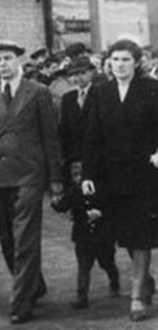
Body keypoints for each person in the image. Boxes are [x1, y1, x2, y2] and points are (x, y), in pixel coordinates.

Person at [0, 40, 63, 324]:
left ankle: (20, 302)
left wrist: (56, 180)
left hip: (29, 175)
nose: (2, 64)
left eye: (7, 58)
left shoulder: (38, 92)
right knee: (7, 239)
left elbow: (50, 138)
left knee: (25, 239)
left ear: (18, 60)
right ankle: (35, 285)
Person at [82, 38, 158, 322]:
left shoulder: (151, 89)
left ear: (136, 62)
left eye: (126, 59)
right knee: (125, 233)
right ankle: (145, 278)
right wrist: (88, 174)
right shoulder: (100, 92)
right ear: (108, 63)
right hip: (111, 175)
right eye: (115, 60)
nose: (120, 65)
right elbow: (91, 136)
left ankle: (136, 296)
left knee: (141, 233)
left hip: (145, 174)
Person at [51, 160, 120, 309]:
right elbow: (62, 206)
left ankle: (114, 280)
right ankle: (82, 295)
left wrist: (102, 213)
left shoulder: (101, 188)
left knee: (106, 262)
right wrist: (55, 202)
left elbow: (113, 207)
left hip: (102, 235)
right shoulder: (73, 192)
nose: (78, 178)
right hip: (83, 236)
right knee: (84, 266)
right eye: (74, 175)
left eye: (80, 174)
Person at [59, 55, 96, 182]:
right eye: (75, 74)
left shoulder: (101, 93)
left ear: (91, 73)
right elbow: (65, 128)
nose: (78, 78)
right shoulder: (68, 98)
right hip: (75, 154)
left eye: (82, 73)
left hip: (96, 152)